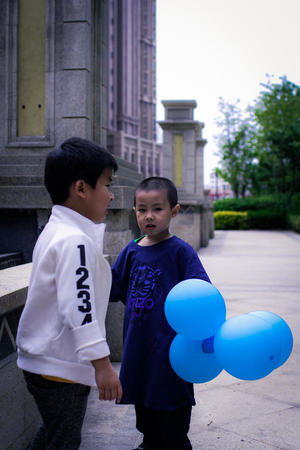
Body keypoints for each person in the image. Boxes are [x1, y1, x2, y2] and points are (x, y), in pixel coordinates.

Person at [16, 137, 122, 449]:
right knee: (63, 440)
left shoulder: (57, 230)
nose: (111, 194)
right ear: (80, 188)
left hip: (46, 362)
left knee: (53, 434)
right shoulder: (73, 240)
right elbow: (80, 306)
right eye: (106, 184)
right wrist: (103, 365)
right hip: (59, 368)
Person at [110, 177, 211, 450]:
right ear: (134, 213)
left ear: (174, 211)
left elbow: (203, 295)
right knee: (144, 407)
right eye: (142, 210)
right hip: (139, 348)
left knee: (172, 412)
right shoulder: (131, 252)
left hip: (171, 351)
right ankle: (149, 442)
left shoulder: (181, 252)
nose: (149, 216)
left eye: (157, 209)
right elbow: (111, 288)